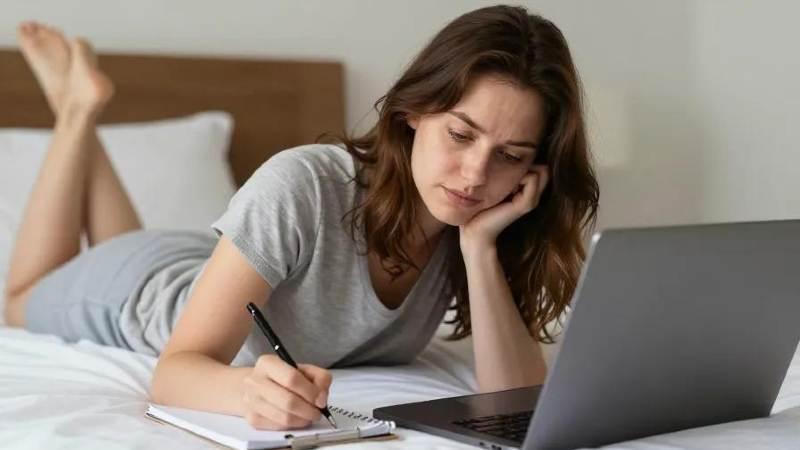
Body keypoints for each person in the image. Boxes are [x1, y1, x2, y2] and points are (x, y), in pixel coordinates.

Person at [4, 5, 599, 431]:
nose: (474, 174)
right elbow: (174, 373)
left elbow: (516, 400)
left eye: (509, 156)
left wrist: (479, 248)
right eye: (461, 135)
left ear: (534, 169)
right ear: (414, 111)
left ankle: (80, 108)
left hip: (199, 262)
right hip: (137, 292)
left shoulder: (472, 220)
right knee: (17, 300)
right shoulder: (305, 184)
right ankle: (76, 112)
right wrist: (249, 392)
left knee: (131, 241)